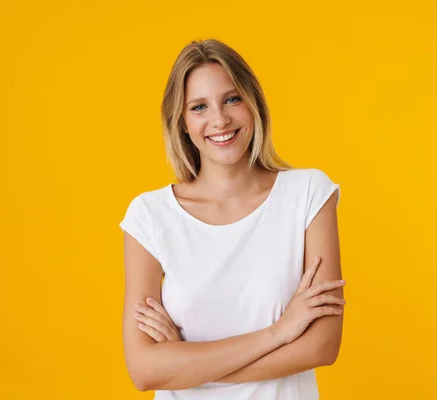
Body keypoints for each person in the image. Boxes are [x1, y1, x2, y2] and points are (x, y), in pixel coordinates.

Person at [119, 39, 346, 399]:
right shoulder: (150, 217)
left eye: (232, 99)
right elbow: (145, 371)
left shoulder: (308, 195)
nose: (220, 119)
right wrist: (280, 332)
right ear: (181, 122)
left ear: (253, 103)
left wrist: (184, 363)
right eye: (199, 107)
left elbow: (321, 347)